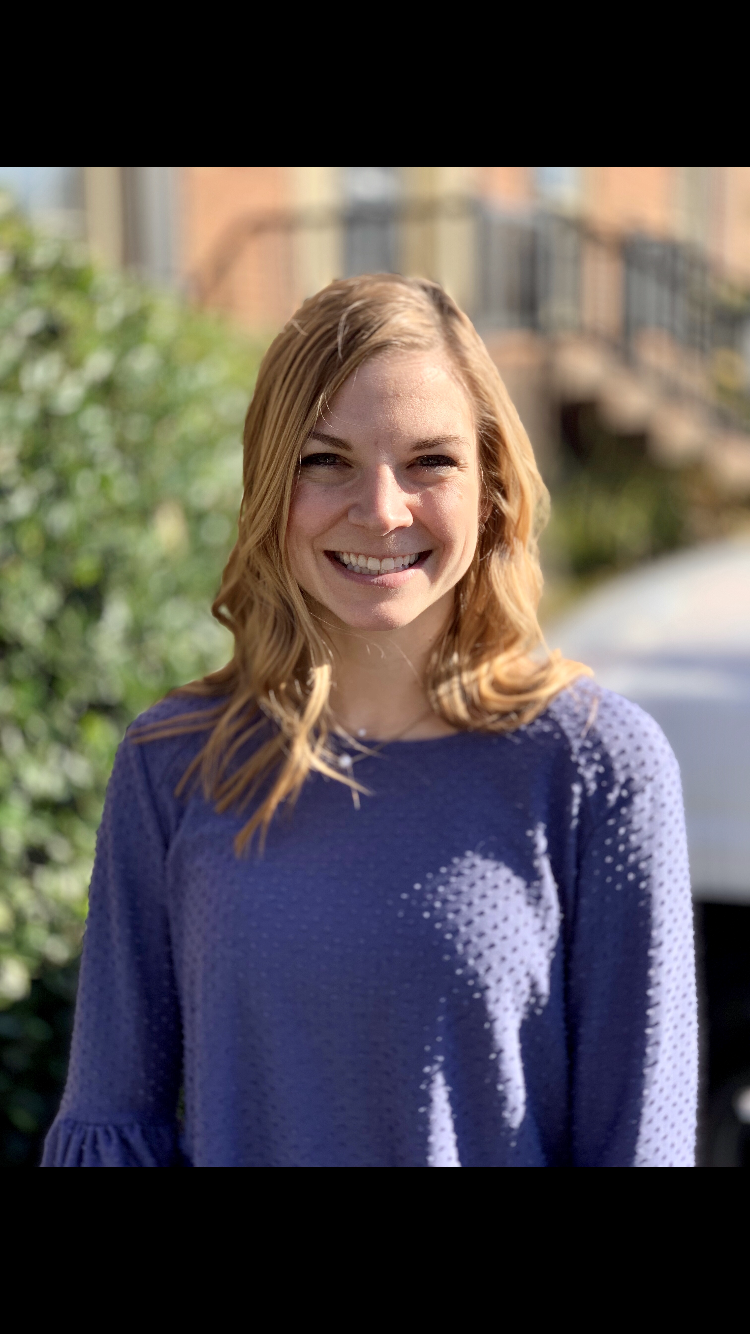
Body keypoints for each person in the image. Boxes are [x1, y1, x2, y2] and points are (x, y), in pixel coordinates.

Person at [42, 275, 697, 1167]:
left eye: (431, 461)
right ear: (272, 485)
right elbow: (113, 1124)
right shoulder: (176, 761)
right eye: (326, 461)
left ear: (492, 485)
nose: (382, 510)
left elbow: (640, 1141)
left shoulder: (597, 767)